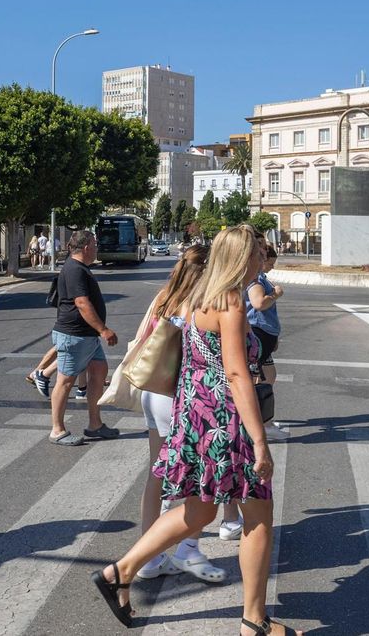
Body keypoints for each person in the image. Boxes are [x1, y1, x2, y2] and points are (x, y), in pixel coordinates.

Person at [93, 225, 300, 636]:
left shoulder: (198, 296)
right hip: (227, 419)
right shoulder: (231, 303)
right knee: (258, 514)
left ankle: (121, 571)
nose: (263, 261)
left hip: (195, 415)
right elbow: (238, 374)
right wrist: (260, 440)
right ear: (243, 258)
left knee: (199, 509)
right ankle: (254, 622)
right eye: (258, 254)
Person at [132, 245, 226, 584]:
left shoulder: (164, 295)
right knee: (197, 478)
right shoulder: (198, 302)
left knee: (156, 475)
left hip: (153, 392)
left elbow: (144, 339)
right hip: (182, 396)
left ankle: (150, 556)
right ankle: (188, 548)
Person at [48, 230, 119, 446]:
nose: (97, 248)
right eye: (95, 245)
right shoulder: (74, 269)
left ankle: (95, 424)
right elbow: (81, 303)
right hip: (74, 335)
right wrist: (103, 329)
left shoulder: (79, 268)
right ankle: (57, 430)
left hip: (85, 336)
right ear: (86, 247)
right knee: (65, 381)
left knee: (99, 371)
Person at [246, 244, 287, 440]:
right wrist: (276, 294)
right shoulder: (255, 283)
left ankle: (263, 420)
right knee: (259, 381)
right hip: (259, 334)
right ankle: (262, 424)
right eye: (267, 261)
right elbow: (259, 303)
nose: (270, 266)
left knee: (268, 376)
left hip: (264, 335)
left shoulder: (260, 279)